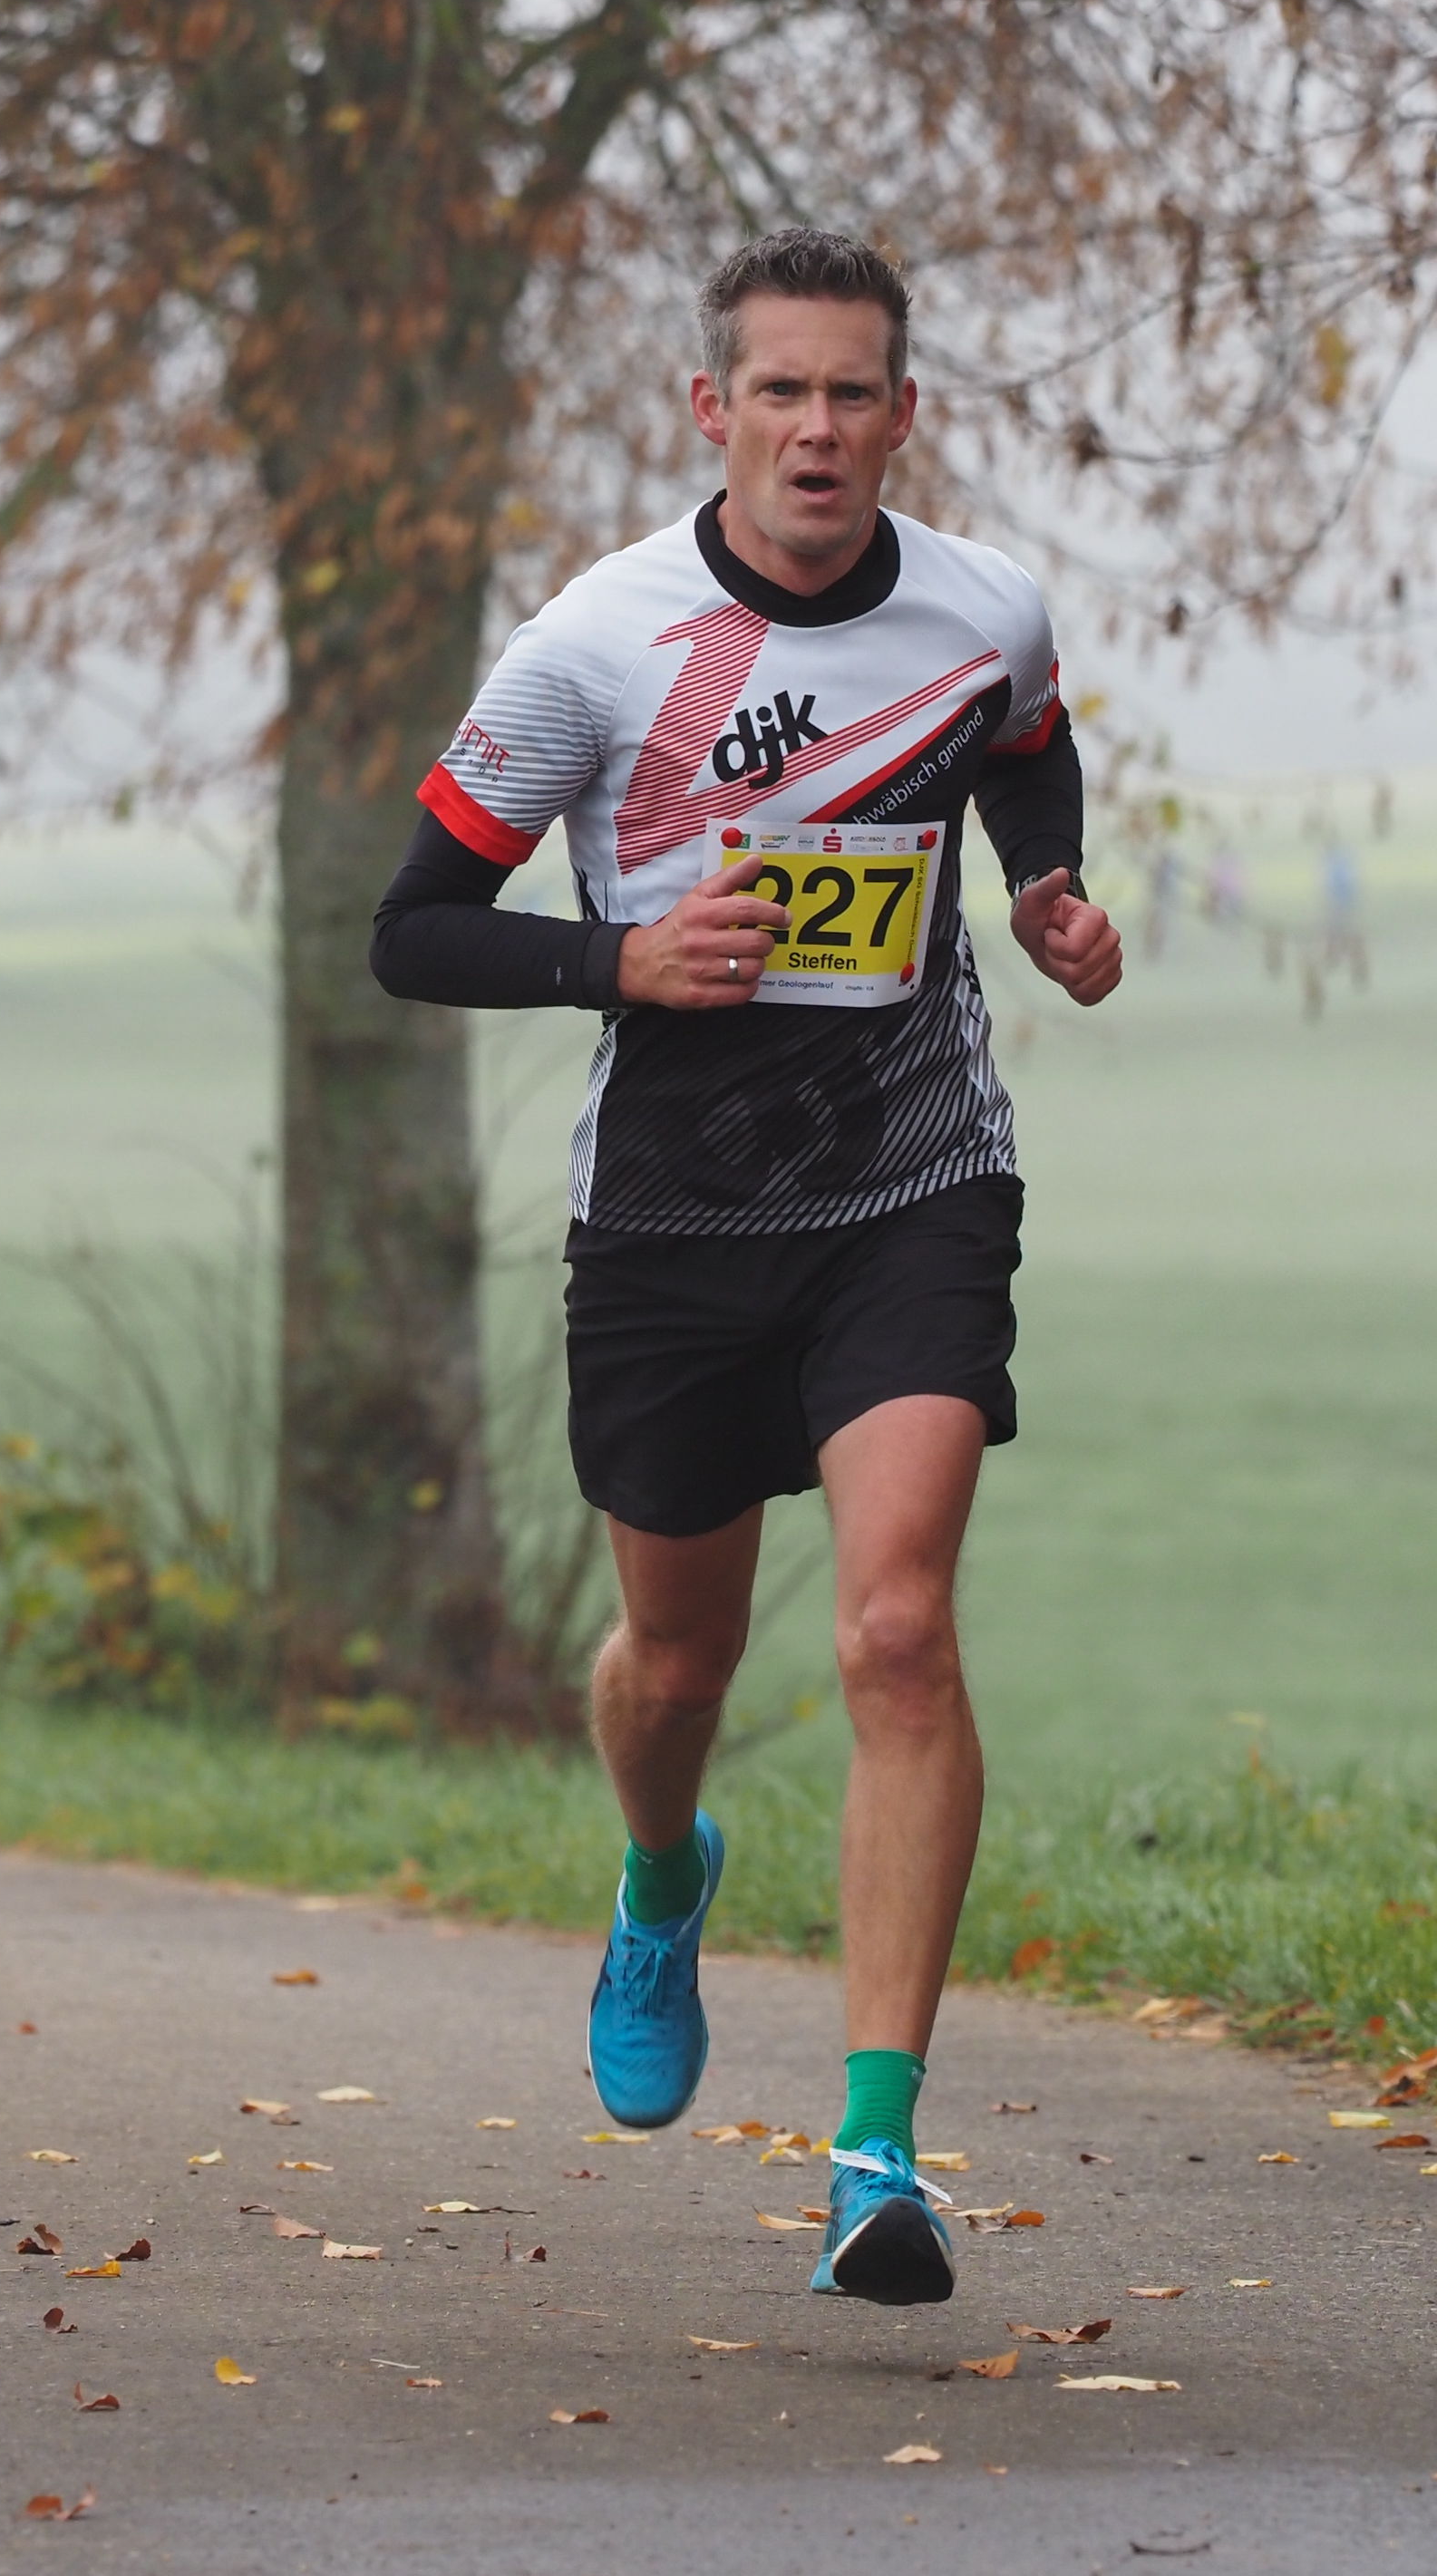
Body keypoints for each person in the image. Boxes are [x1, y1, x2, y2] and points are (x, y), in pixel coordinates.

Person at [371, 228, 1121, 2308]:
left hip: (913, 1184)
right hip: (672, 1224)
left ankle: (875, 2155)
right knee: (675, 1670)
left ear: (903, 414)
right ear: (714, 409)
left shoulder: (982, 608)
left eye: (851, 392)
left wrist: (1049, 888)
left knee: (896, 1630)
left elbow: (1026, 744)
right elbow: (412, 927)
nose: (816, 428)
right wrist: (616, 960)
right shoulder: (597, 647)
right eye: (779, 390)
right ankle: (658, 1874)